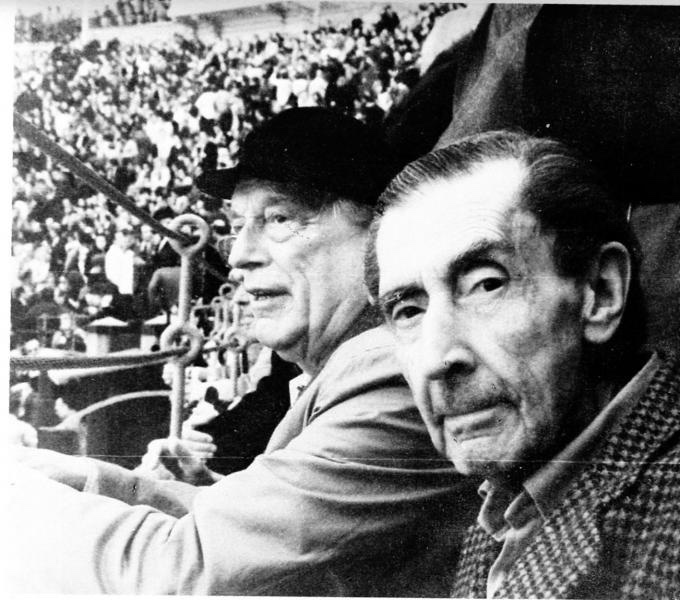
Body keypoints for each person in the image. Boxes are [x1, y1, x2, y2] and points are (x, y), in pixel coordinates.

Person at [8, 108, 477, 595]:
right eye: (238, 226)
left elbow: (180, 575)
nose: (237, 256)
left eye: (278, 219)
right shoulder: (355, 364)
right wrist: (81, 476)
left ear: (380, 236)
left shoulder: (391, 371)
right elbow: (273, 540)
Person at [366, 130, 680, 599]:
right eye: (409, 311)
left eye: (486, 285)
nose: (435, 358)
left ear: (600, 292)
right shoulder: (513, 496)